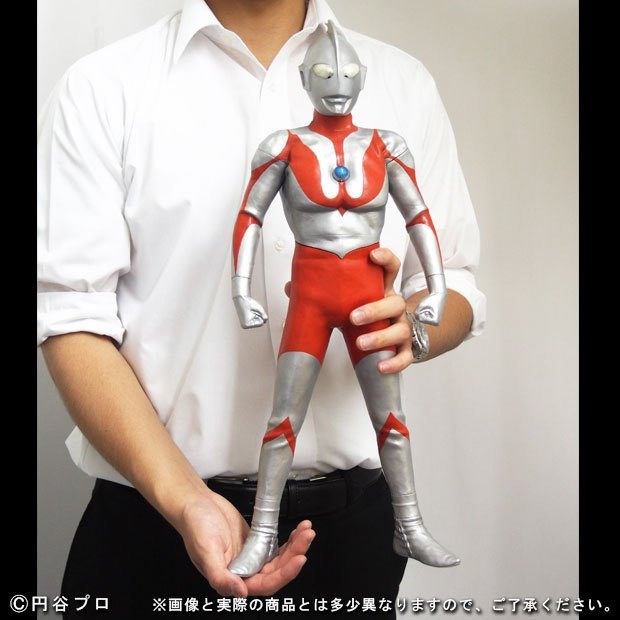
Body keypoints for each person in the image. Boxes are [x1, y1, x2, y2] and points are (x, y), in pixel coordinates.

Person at [37, 0, 486, 617]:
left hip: (355, 534)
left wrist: (417, 323)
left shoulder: (404, 85)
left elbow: (455, 276)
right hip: (152, 523)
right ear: (310, 82)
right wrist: (184, 498)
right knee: (285, 419)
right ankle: (268, 523)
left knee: (392, 421)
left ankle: (409, 522)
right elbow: (71, 315)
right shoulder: (103, 87)